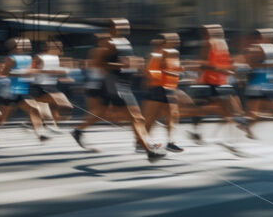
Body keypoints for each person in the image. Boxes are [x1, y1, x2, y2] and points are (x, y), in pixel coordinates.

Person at [71, 19, 165, 161]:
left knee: (107, 114)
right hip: (115, 85)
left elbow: (125, 62)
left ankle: (78, 130)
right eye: (119, 26)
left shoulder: (124, 41)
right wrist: (121, 65)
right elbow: (98, 64)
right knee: (136, 118)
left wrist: (135, 64)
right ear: (112, 29)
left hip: (122, 84)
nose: (124, 27)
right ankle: (148, 149)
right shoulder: (110, 44)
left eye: (125, 25)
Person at [187, 24, 251, 144]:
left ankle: (236, 124)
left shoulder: (216, 44)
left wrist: (231, 68)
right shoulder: (213, 44)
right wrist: (223, 70)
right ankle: (237, 125)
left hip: (217, 81)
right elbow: (204, 64)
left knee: (208, 107)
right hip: (211, 81)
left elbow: (218, 62)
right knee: (209, 107)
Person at [0, 37, 49, 142]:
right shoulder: (10, 59)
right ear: (15, 48)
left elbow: (31, 70)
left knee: (34, 109)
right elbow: (4, 74)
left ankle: (40, 134)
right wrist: (21, 73)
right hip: (10, 91)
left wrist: (34, 71)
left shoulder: (28, 58)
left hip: (22, 90)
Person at [243, 28, 273, 137]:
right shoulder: (256, 49)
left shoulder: (272, 48)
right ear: (261, 38)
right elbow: (252, 66)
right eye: (269, 35)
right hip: (257, 86)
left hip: (268, 86)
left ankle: (245, 125)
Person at [141, 33, 184, 153]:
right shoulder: (158, 53)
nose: (177, 40)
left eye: (177, 38)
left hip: (170, 88)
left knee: (173, 115)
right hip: (157, 88)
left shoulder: (174, 53)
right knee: (151, 118)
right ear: (165, 41)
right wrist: (170, 73)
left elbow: (175, 69)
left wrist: (179, 71)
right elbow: (149, 71)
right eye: (174, 39)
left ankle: (171, 142)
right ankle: (141, 143)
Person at [32, 40, 74, 130]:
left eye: (60, 46)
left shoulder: (55, 58)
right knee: (65, 106)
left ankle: (51, 127)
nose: (60, 49)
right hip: (40, 86)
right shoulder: (38, 57)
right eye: (56, 47)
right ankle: (36, 119)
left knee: (55, 110)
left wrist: (61, 74)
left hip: (52, 86)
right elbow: (31, 70)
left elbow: (54, 71)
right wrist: (53, 71)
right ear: (47, 48)